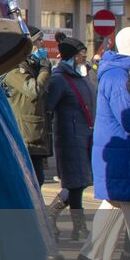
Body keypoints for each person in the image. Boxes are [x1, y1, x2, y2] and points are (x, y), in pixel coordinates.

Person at [79, 27, 130, 260]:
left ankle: (92, 253)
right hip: (123, 150)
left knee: (115, 202)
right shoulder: (119, 75)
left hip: (117, 149)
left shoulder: (116, 72)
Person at [44, 35, 95, 240]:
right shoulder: (59, 79)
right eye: (82, 55)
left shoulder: (81, 77)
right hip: (69, 137)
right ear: (73, 57)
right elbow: (48, 108)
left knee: (80, 182)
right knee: (75, 182)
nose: (85, 58)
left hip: (84, 135)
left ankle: (77, 227)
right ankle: (57, 217)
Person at [2, 32, 51, 185]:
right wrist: (45, 70)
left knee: (38, 180)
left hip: (35, 136)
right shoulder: (14, 69)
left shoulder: (32, 67)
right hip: (24, 136)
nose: (42, 45)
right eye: (39, 41)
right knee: (30, 182)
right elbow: (33, 90)